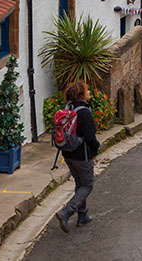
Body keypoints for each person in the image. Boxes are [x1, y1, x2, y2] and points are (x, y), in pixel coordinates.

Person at [55, 79, 100, 233]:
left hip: (68, 154)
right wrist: (97, 147)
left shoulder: (68, 108)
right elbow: (90, 136)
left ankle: (82, 216)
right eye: (87, 91)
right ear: (81, 94)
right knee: (88, 185)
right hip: (83, 155)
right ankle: (67, 212)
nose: (89, 93)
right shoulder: (85, 112)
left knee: (80, 184)